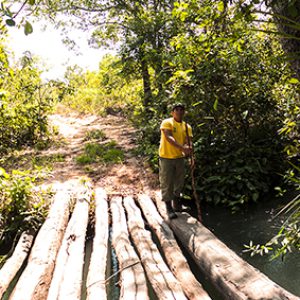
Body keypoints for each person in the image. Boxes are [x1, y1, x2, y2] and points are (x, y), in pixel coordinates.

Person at [159, 103, 192, 219]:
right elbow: (169, 137)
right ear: (172, 112)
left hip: (179, 158)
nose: (179, 111)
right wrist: (182, 148)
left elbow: (188, 140)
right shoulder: (167, 123)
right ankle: (168, 207)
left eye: (181, 110)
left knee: (179, 181)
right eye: (176, 110)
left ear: (184, 112)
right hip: (167, 157)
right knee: (167, 182)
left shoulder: (187, 127)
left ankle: (177, 205)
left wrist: (189, 149)